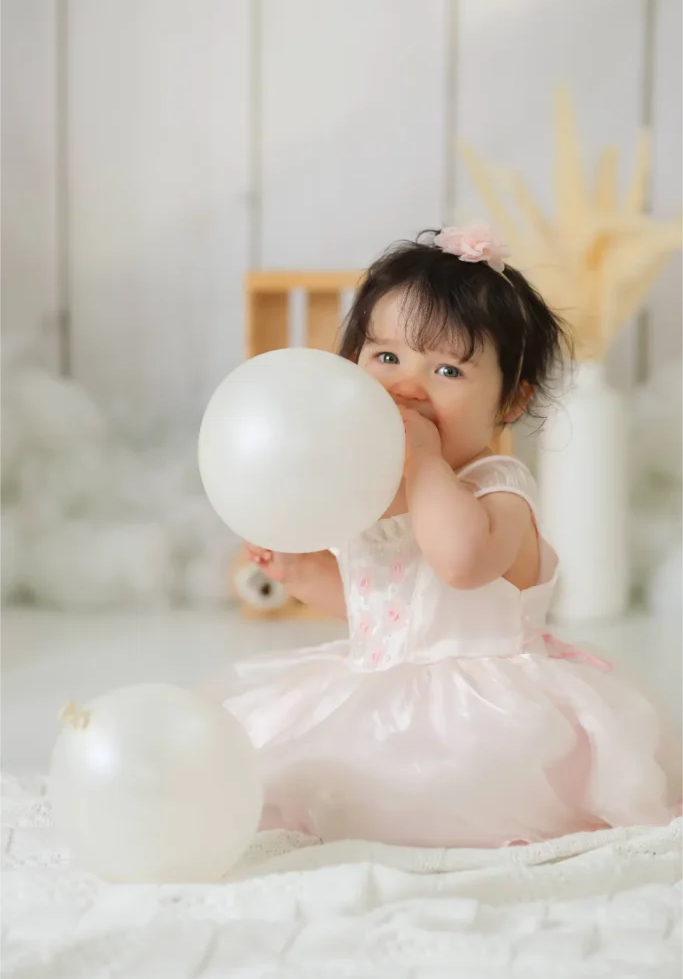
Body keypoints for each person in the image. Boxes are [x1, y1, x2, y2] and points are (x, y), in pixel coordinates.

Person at [208, 223, 683, 848]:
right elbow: (376, 609)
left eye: (448, 370)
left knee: (440, 788)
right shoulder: (367, 491)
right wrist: (301, 574)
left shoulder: (499, 489)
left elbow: (459, 564)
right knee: (274, 761)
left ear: (510, 402)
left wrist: (428, 462)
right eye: (386, 358)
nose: (409, 385)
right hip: (375, 686)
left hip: (483, 711)